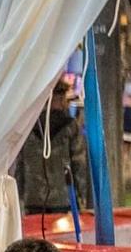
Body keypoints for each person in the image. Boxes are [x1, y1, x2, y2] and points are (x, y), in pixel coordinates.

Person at [14, 79, 93, 217]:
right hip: (63, 198)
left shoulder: (28, 125)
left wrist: (19, 196)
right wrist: (82, 197)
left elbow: (19, 165)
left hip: (32, 197)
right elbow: (79, 164)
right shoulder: (70, 126)